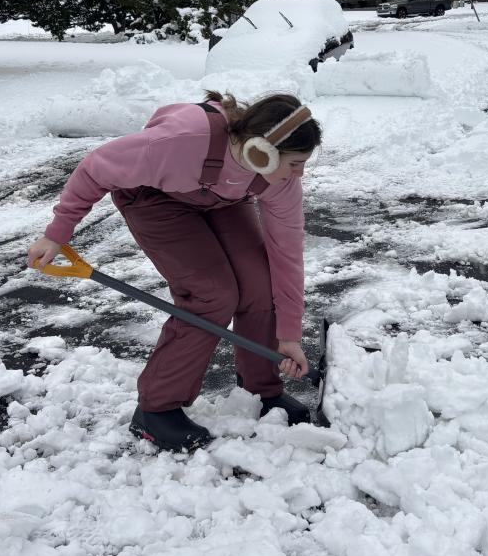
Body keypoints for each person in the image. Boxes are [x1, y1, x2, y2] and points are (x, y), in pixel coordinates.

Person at [27, 90, 322, 453]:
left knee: (260, 284)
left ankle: (260, 390)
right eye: (295, 163)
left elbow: (286, 254)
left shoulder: (279, 180)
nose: (300, 173)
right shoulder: (182, 141)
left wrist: (289, 336)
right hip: (152, 198)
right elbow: (96, 167)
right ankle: (156, 410)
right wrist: (57, 233)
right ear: (262, 152)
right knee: (212, 294)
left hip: (220, 199)